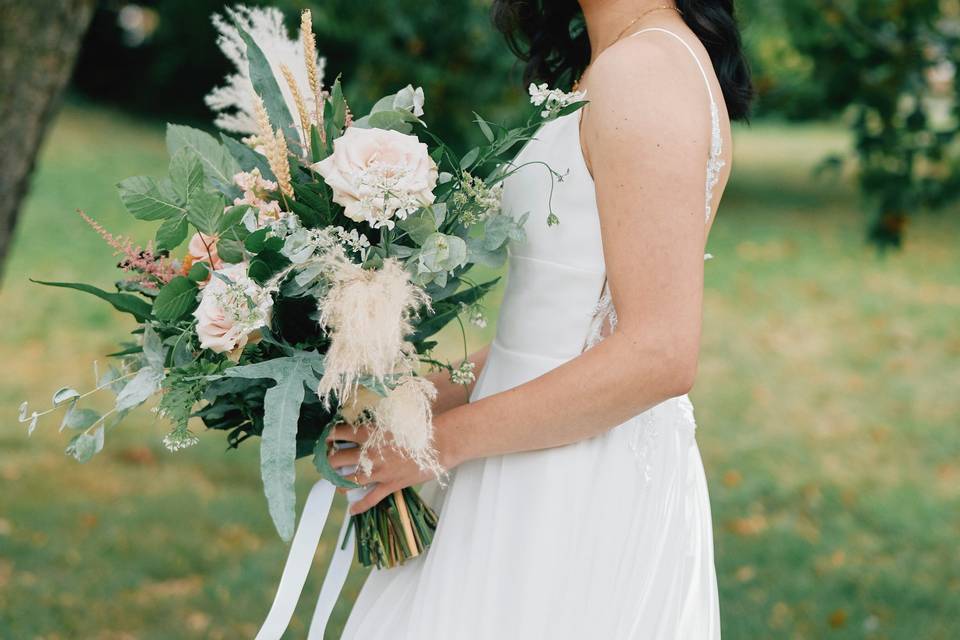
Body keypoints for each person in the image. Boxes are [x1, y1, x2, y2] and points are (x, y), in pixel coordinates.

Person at [334, 1, 753, 637]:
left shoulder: (648, 71)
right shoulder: (617, 60)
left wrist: (434, 446)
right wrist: (406, 404)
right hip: (528, 450)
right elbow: (555, 336)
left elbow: (659, 353)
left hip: (572, 490)